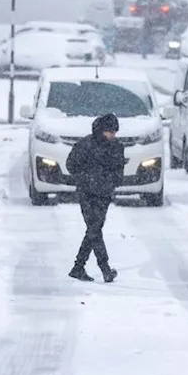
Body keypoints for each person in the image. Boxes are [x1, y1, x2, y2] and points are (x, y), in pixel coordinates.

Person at [65, 113, 125, 282]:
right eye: (109, 132)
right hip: (87, 192)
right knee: (94, 229)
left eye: (114, 132)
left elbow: (119, 169)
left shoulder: (116, 147)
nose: (112, 136)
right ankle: (103, 268)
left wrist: (112, 181)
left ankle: (78, 267)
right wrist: (85, 178)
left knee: (94, 230)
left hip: (104, 194)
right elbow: (71, 165)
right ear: (101, 130)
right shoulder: (86, 145)